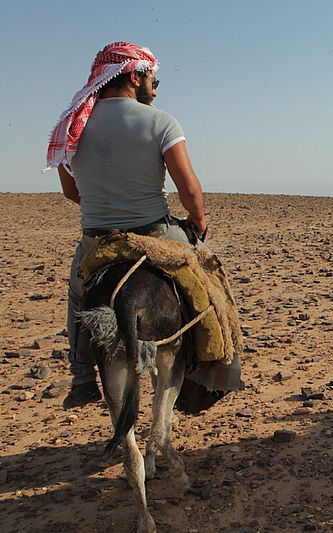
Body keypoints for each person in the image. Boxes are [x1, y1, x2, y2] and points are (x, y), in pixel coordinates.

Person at [47, 42, 223, 408]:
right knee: (212, 281)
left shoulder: (72, 126)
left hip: (98, 239)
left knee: (79, 294)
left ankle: (81, 378)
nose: (155, 87)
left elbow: (70, 191)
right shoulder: (160, 121)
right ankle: (216, 368)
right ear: (134, 75)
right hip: (155, 233)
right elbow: (189, 191)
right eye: (152, 78)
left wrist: (105, 205)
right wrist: (198, 219)